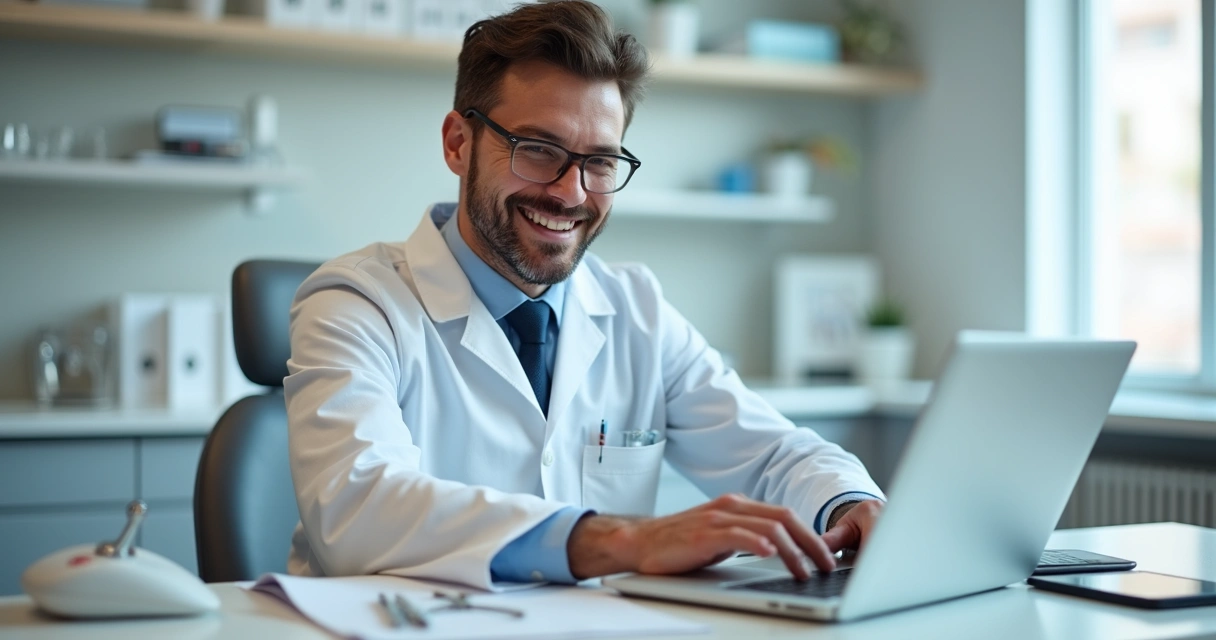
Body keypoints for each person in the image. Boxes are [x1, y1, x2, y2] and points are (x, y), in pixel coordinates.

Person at [284, 0, 884, 590]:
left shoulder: (636, 307)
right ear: (458, 144)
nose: (571, 194)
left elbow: (772, 454)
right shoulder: (356, 302)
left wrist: (846, 503)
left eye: (599, 161)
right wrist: (624, 541)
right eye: (538, 150)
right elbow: (359, 505)